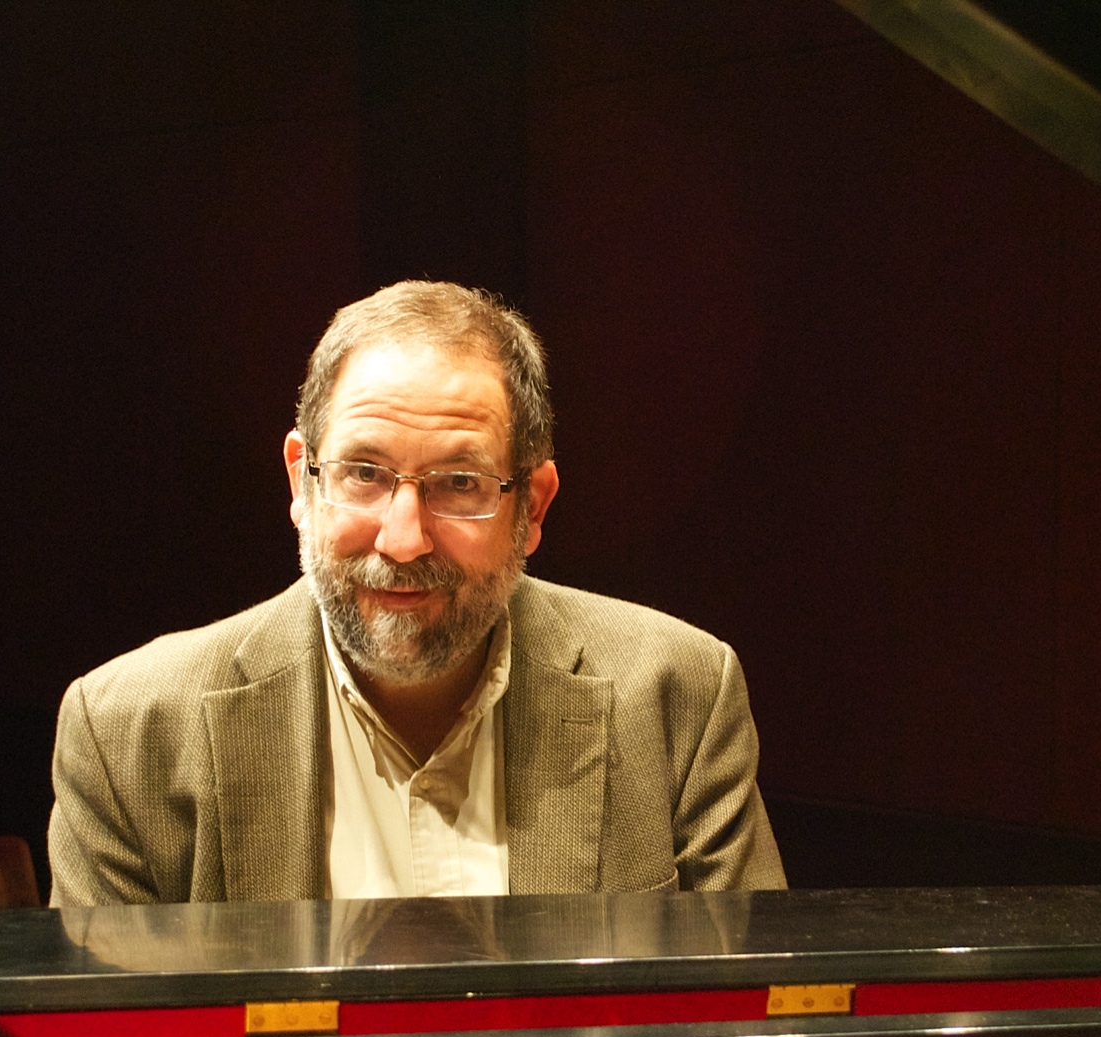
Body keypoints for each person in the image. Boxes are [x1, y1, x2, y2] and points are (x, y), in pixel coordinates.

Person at [48, 281, 786, 905]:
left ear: (532, 507)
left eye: (459, 483)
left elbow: (755, 1018)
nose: (403, 539)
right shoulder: (127, 736)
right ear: (301, 482)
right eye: (363, 474)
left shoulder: (680, 697)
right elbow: (108, 1036)